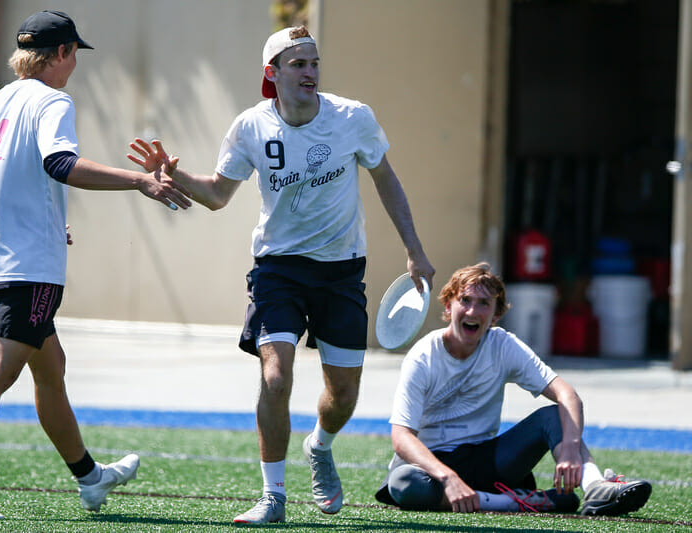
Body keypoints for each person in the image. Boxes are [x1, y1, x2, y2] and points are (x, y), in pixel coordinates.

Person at [128, 26, 435, 524]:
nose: (310, 72)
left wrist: (414, 251)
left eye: (314, 63)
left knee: (343, 397)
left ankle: (320, 445)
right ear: (272, 74)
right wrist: (173, 173)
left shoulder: (352, 118)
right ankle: (273, 497)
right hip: (278, 268)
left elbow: (386, 179)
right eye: (299, 64)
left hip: (340, 271)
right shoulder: (250, 126)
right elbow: (217, 194)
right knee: (275, 375)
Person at [0, 10, 191, 520]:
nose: (74, 66)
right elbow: (59, 164)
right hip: (31, 267)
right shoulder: (53, 101)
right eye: (74, 55)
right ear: (62, 53)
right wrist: (138, 182)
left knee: (51, 368)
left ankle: (90, 478)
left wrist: (22, 221)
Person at [374, 263, 653, 516]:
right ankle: (522, 502)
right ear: (448, 307)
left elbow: (567, 394)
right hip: (431, 469)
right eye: (465, 301)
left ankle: (595, 486)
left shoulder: (503, 345)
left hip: (486, 461)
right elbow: (401, 436)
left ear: (495, 315)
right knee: (403, 483)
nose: (472, 311)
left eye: (483, 303)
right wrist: (448, 477)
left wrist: (570, 447)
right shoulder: (423, 355)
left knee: (554, 415)